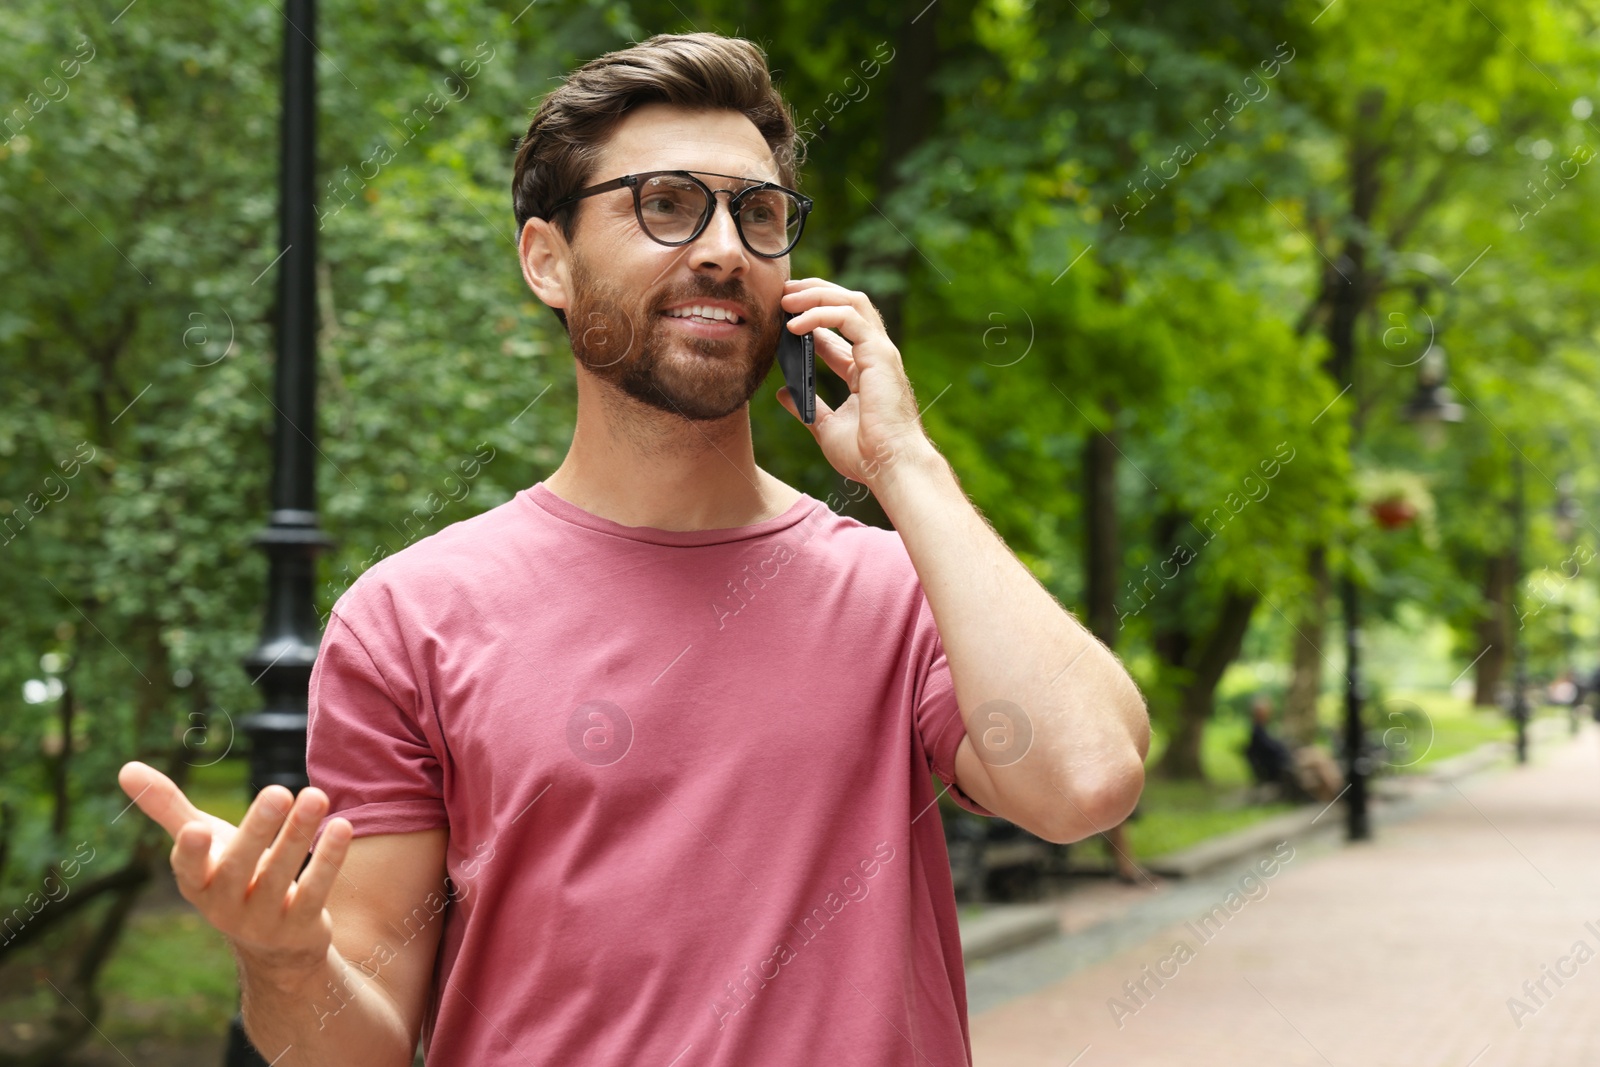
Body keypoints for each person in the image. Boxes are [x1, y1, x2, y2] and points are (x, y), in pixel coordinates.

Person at [116, 32, 1150, 1067]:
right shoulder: (410, 617)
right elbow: (361, 1044)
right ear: (546, 259)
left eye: (756, 214)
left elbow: (1088, 779)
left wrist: (904, 463)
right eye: (664, 202)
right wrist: (286, 962)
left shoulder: (900, 588)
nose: (721, 247)